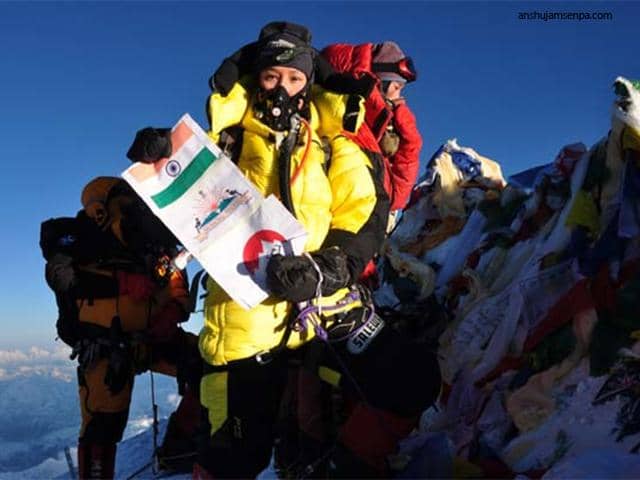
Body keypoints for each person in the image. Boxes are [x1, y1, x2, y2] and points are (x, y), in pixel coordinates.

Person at [127, 21, 439, 478]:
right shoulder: (224, 141)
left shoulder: (334, 140)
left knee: (412, 379)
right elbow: (163, 222)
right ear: (256, 79)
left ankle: (343, 469)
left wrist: (331, 267)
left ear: (309, 82)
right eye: (272, 76)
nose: (282, 88)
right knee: (234, 457)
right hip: (245, 322)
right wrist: (156, 165)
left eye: (294, 77)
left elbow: (364, 211)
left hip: (323, 306)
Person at [41, 177, 202, 479]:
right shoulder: (81, 240)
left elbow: (179, 293)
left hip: (153, 338)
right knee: (103, 424)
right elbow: (62, 278)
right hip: (105, 345)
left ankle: (179, 451)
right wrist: (122, 284)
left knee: (209, 369)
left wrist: (170, 314)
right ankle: (173, 451)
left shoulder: (156, 244)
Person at [321, 41, 423, 230]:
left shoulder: (372, 137)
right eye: (397, 88)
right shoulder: (345, 124)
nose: (400, 100)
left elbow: (394, 197)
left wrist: (410, 142)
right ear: (379, 83)